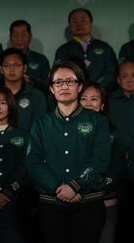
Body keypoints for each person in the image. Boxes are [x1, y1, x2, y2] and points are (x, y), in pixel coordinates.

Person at [25, 60, 111, 243]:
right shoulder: (41, 124)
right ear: (51, 88)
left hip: (89, 202)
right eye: (58, 82)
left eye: (70, 81)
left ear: (79, 86)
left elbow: (100, 159)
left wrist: (75, 185)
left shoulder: (98, 121)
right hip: (50, 204)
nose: (64, 86)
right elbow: (33, 162)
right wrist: (59, 187)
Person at [79, 82, 127, 243]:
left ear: (102, 105)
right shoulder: (67, 134)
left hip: (105, 203)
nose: (88, 103)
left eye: (94, 99)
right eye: (83, 98)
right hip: (76, 205)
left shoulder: (115, 136)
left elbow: (116, 172)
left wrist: (84, 187)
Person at [0, 86, 28, 243]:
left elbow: (25, 167)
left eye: (3, 102)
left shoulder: (22, 134)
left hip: (15, 201)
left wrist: (7, 192)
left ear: (11, 105)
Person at [0, 48, 47, 131]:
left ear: (25, 68)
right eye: (7, 65)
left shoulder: (37, 97)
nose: (12, 69)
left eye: (16, 65)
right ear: (1, 69)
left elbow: (40, 129)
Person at [54, 8, 117, 92]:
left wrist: (95, 88)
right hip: (73, 97)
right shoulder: (63, 50)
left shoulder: (105, 48)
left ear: (91, 23)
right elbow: (58, 75)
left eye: (83, 21)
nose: (79, 24)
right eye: (75, 22)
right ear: (70, 26)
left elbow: (111, 73)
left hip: (101, 95)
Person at [108, 61, 134, 243]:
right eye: (125, 76)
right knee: (121, 220)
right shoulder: (109, 102)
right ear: (118, 80)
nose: (130, 79)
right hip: (119, 169)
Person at [9, 19, 50, 94]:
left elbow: (48, 85)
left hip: (35, 100)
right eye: (15, 35)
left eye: (23, 35)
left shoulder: (41, 59)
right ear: (10, 37)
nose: (19, 39)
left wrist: (31, 82)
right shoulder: (2, 59)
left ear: (30, 36)